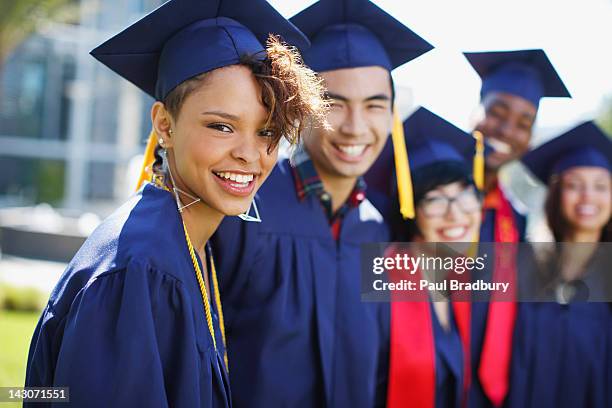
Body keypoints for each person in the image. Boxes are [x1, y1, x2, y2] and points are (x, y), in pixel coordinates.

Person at [24, 0, 327, 406]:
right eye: (222, 126)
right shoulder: (137, 269)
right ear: (164, 125)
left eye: (267, 132)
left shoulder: (185, 242)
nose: (250, 154)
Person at [211, 0, 433, 406]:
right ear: (300, 105)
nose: (355, 127)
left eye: (375, 106)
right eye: (334, 104)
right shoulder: (243, 209)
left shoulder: (377, 229)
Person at [462, 49, 572, 408]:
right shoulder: (414, 194)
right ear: (476, 108)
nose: (508, 130)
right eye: (497, 112)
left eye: (524, 123)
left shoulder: (516, 220)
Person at [382, 107, 484, 408]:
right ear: (409, 209)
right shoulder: (380, 282)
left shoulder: (460, 284)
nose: (456, 214)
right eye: (435, 199)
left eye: (465, 195)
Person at [508, 121, 612, 408]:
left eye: (601, 186)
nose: (588, 196)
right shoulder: (524, 264)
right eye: (574, 185)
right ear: (556, 195)